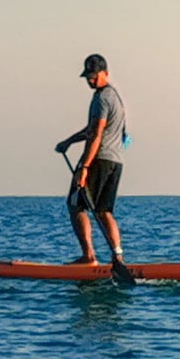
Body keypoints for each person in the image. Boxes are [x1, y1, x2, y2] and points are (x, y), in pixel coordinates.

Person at [54, 53, 128, 269]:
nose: (90, 80)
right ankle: (118, 258)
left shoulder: (102, 98)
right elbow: (94, 129)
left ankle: (88, 257)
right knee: (103, 211)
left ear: (106, 73)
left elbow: (96, 135)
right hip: (115, 162)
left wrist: (84, 167)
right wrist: (69, 141)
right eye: (88, 76)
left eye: (94, 76)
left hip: (98, 160)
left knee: (75, 205)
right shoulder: (116, 97)